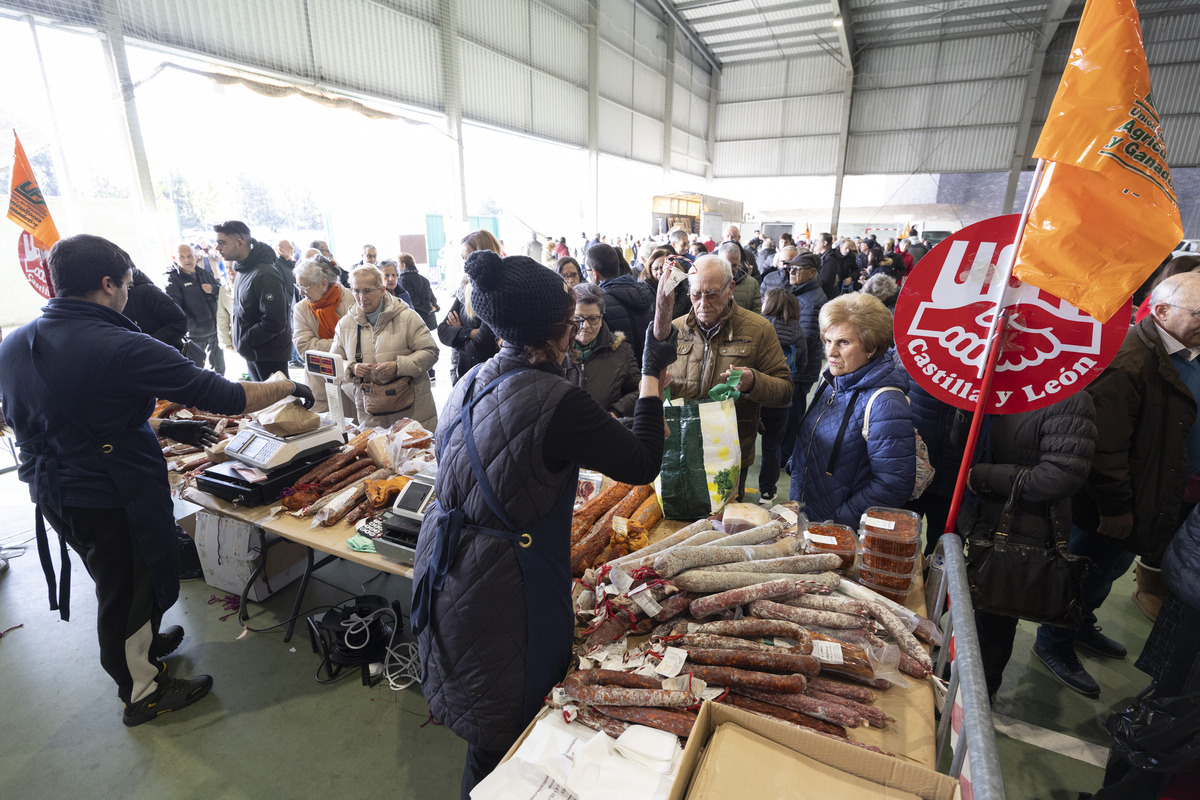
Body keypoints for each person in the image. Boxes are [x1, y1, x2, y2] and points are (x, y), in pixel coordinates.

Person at [0, 234, 315, 727]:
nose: (129, 292)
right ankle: (141, 689)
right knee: (125, 586)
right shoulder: (120, 343)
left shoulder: (17, 341)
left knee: (121, 577)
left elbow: (63, 414)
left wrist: (164, 425)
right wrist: (288, 384)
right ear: (107, 284)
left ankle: (143, 642)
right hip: (108, 491)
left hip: (55, 490)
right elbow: (226, 395)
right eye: (127, 283)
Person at [411, 249, 673, 799]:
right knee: (507, 738)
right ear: (561, 327)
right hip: (508, 592)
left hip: (447, 573)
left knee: (488, 730)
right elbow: (643, 460)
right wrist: (652, 368)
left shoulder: (471, 379)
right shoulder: (557, 401)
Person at [1034, 272, 1200, 696]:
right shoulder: (1129, 359)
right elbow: (1105, 449)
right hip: (1116, 502)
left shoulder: (1188, 351)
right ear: (1162, 312)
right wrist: (1115, 507)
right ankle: (1054, 643)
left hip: (1156, 491)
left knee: (1111, 570)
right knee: (1085, 571)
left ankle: (1082, 622)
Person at [960, 393, 1098, 699]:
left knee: (993, 618)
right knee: (962, 605)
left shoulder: (1069, 398)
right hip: (971, 514)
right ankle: (952, 676)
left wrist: (983, 476)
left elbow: (1059, 477)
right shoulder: (982, 383)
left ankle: (974, 699)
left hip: (1018, 528)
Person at [669, 255, 793, 500]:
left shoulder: (758, 329)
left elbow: (785, 390)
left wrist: (754, 383)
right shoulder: (674, 329)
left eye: (712, 293)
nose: (703, 303)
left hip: (730, 452)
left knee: (723, 526)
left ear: (730, 289)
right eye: (696, 294)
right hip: (680, 450)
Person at [788, 292, 914, 526]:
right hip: (807, 513)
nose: (831, 352)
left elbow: (894, 483)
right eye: (828, 340)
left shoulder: (886, 403)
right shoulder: (833, 379)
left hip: (839, 530)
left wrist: (841, 520)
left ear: (872, 347)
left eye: (843, 342)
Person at [331, 266, 439, 430]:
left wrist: (399, 366)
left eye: (367, 291)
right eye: (356, 291)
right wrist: (351, 367)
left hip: (412, 413)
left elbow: (430, 352)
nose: (361, 298)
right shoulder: (345, 324)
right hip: (371, 415)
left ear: (382, 289)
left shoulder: (407, 317)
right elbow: (333, 363)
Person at [216, 221, 291, 381]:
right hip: (254, 353)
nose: (217, 248)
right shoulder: (244, 270)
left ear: (240, 243)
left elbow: (274, 322)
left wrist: (245, 340)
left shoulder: (264, 274)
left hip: (268, 356)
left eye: (222, 243)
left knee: (277, 404)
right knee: (264, 404)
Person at [758, 288, 804, 504]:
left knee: (743, 442)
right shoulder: (799, 332)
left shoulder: (758, 326)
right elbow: (802, 363)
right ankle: (767, 491)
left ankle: (733, 489)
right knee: (772, 446)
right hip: (782, 397)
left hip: (755, 393)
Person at [438, 230, 502, 383]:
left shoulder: (499, 291)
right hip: (466, 376)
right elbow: (442, 331)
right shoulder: (465, 286)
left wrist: (458, 333)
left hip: (491, 377)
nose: (466, 265)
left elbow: (483, 346)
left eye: (470, 257)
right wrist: (472, 332)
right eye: (463, 258)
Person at [567, 282, 640, 418]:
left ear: (601, 318)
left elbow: (638, 390)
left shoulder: (621, 351)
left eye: (593, 318)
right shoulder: (557, 351)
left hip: (607, 431)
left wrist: (616, 412)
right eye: (578, 319)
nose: (585, 326)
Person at [293, 258, 355, 414]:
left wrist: (322, 344)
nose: (300, 292)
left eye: (304, 286)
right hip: (320, 387)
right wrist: (340, 344)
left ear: (324, 283)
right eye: (298, 285)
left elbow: (359, 344)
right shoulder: (301, 309)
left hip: (351, 386)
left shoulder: (352, 301)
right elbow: (304, 349)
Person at [780, 253, 826, 462]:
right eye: (790, 268)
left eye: (797, 269)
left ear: (812, 272)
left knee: (792, 415)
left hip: (799, 369)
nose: (792, 272)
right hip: (794, 367)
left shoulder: (812, 299)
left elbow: (805, 338)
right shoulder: (800, 293)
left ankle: (786, 455)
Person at [586, 242, 654, 360]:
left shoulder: (600, 304)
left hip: (621, 373)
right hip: (649, 370)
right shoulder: (645, 292)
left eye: (587, 270)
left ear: (595, 273)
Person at [165, 244, 224, 374]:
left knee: (220, 369)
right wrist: (192, 326)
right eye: (182, 257)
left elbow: (221, 291)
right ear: (175, 258)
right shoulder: (172, 280)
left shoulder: (204, 273)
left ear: (195, 256)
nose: (187, 260)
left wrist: (213, 289)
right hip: (195, 336)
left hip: (215, 332)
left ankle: (219, 393)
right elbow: (174, 309)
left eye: (190, 256)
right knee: (194, 372)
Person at [122, 267, 188, 353]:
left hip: (168, 356)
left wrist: (147, 346)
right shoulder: (112, 301)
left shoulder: (146, 290)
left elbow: (180, 322)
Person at [639, 248, 692, 321]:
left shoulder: (684, 289)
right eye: (655, 269)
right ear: (650, 270)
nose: (660, 272)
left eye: (663, 268)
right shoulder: (644, 291)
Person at [398, 253, 439, 330]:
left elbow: (411, 300)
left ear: (404, 265)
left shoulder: (402, 280)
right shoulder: (424, 279)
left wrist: (428, 308)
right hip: (430, 320)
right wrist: (434, 307)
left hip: (416, 321)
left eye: (398, 265)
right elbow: (432, 298)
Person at [718, 241, 762, 313]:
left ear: (739, 262)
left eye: (734, 265)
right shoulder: (710, 282)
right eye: (727, 264)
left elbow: (756, 313)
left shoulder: (752, 284)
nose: (730, 268)